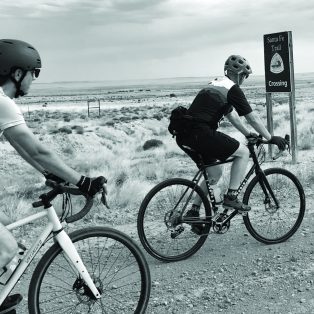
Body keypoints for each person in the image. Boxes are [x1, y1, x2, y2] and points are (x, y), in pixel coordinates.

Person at [0, 39, 106, 313]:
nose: (33, 81)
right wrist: (83, 181)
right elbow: (37, 150)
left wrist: (48, 173)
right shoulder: (2, 103)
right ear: (17, 73)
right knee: (7, 248)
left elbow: (21, 147)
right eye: (33, 74)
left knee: (7, 234)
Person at [175, 54, 287, 234]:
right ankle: (231, 196)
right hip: (200, 133)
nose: (244, 79)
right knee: (242, 153)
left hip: (185, 135)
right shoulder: (233, 88)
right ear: (239, 74)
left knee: (214, 173)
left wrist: (248, 134)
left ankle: (193, 211)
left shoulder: (216, 84)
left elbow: (231, 115)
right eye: (245, 76)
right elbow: (251, 117)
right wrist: (270, 137)